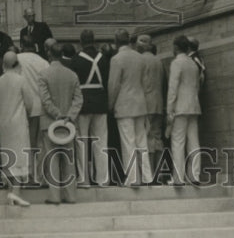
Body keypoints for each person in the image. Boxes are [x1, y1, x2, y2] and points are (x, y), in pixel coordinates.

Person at [39, 42, 83, 205]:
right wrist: (69, 116)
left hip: (50, 122)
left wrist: (57, 114)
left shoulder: (43, 75)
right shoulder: (72, 75)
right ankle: (71, 195)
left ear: (49, 54)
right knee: (68, 159)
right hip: (68, 124)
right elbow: (78, 99)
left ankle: (55, 196)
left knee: (52, 158)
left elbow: (45, 100)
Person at [107, 29, 151, 188]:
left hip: (124, 104)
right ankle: (147, 176)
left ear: (116, 42)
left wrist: (110, 105)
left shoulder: (116, 59)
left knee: (128, 142)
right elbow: (145, 83)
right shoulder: (140, 58)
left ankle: (133, 178)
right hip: (140, 103)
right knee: (142, 141)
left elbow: (114, 85)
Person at [69, 29, 110, 189]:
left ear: (81, 42)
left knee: (81, 141)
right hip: (100, 102)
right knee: (101, 141)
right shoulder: (103, 59)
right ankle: (103, 179)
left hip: (83, 103)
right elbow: (106, 81)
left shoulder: (76, 60)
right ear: (94, 41)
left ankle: (83, 179)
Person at [0, 51, 33, 191]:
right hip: (19, 122)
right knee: (20, 156)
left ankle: (11, 188)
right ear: (17, 63)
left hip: (4, 123)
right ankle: (16, 191)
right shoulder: (21, 80)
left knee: (8, 156)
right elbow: (29, 103)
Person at [166, 34, 202, 186]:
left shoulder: (176, 63)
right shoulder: (193, 63)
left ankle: (178, 178)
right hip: (193, 106)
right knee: (193, 141)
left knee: (178, 142)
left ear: (175, 47)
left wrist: (169, 110)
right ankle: (195, 176)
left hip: (180, 107)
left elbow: (172, 88)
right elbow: (197, 86)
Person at [16, 33, 48, 184]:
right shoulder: (43, 62)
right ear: (35, 46)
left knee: (24, 142)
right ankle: (39, 176)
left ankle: (26, 175)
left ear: (21, 45)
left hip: (21, 106)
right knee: (40, 143)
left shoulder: (17, 60)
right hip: (40, 106)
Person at [136, 33, 166, 184]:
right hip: (158, 103)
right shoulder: (158, 61)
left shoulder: (140, 60)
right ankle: (159, 173)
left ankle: (148, 175)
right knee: (157, 138)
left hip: (145, 104)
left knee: (146, 138)